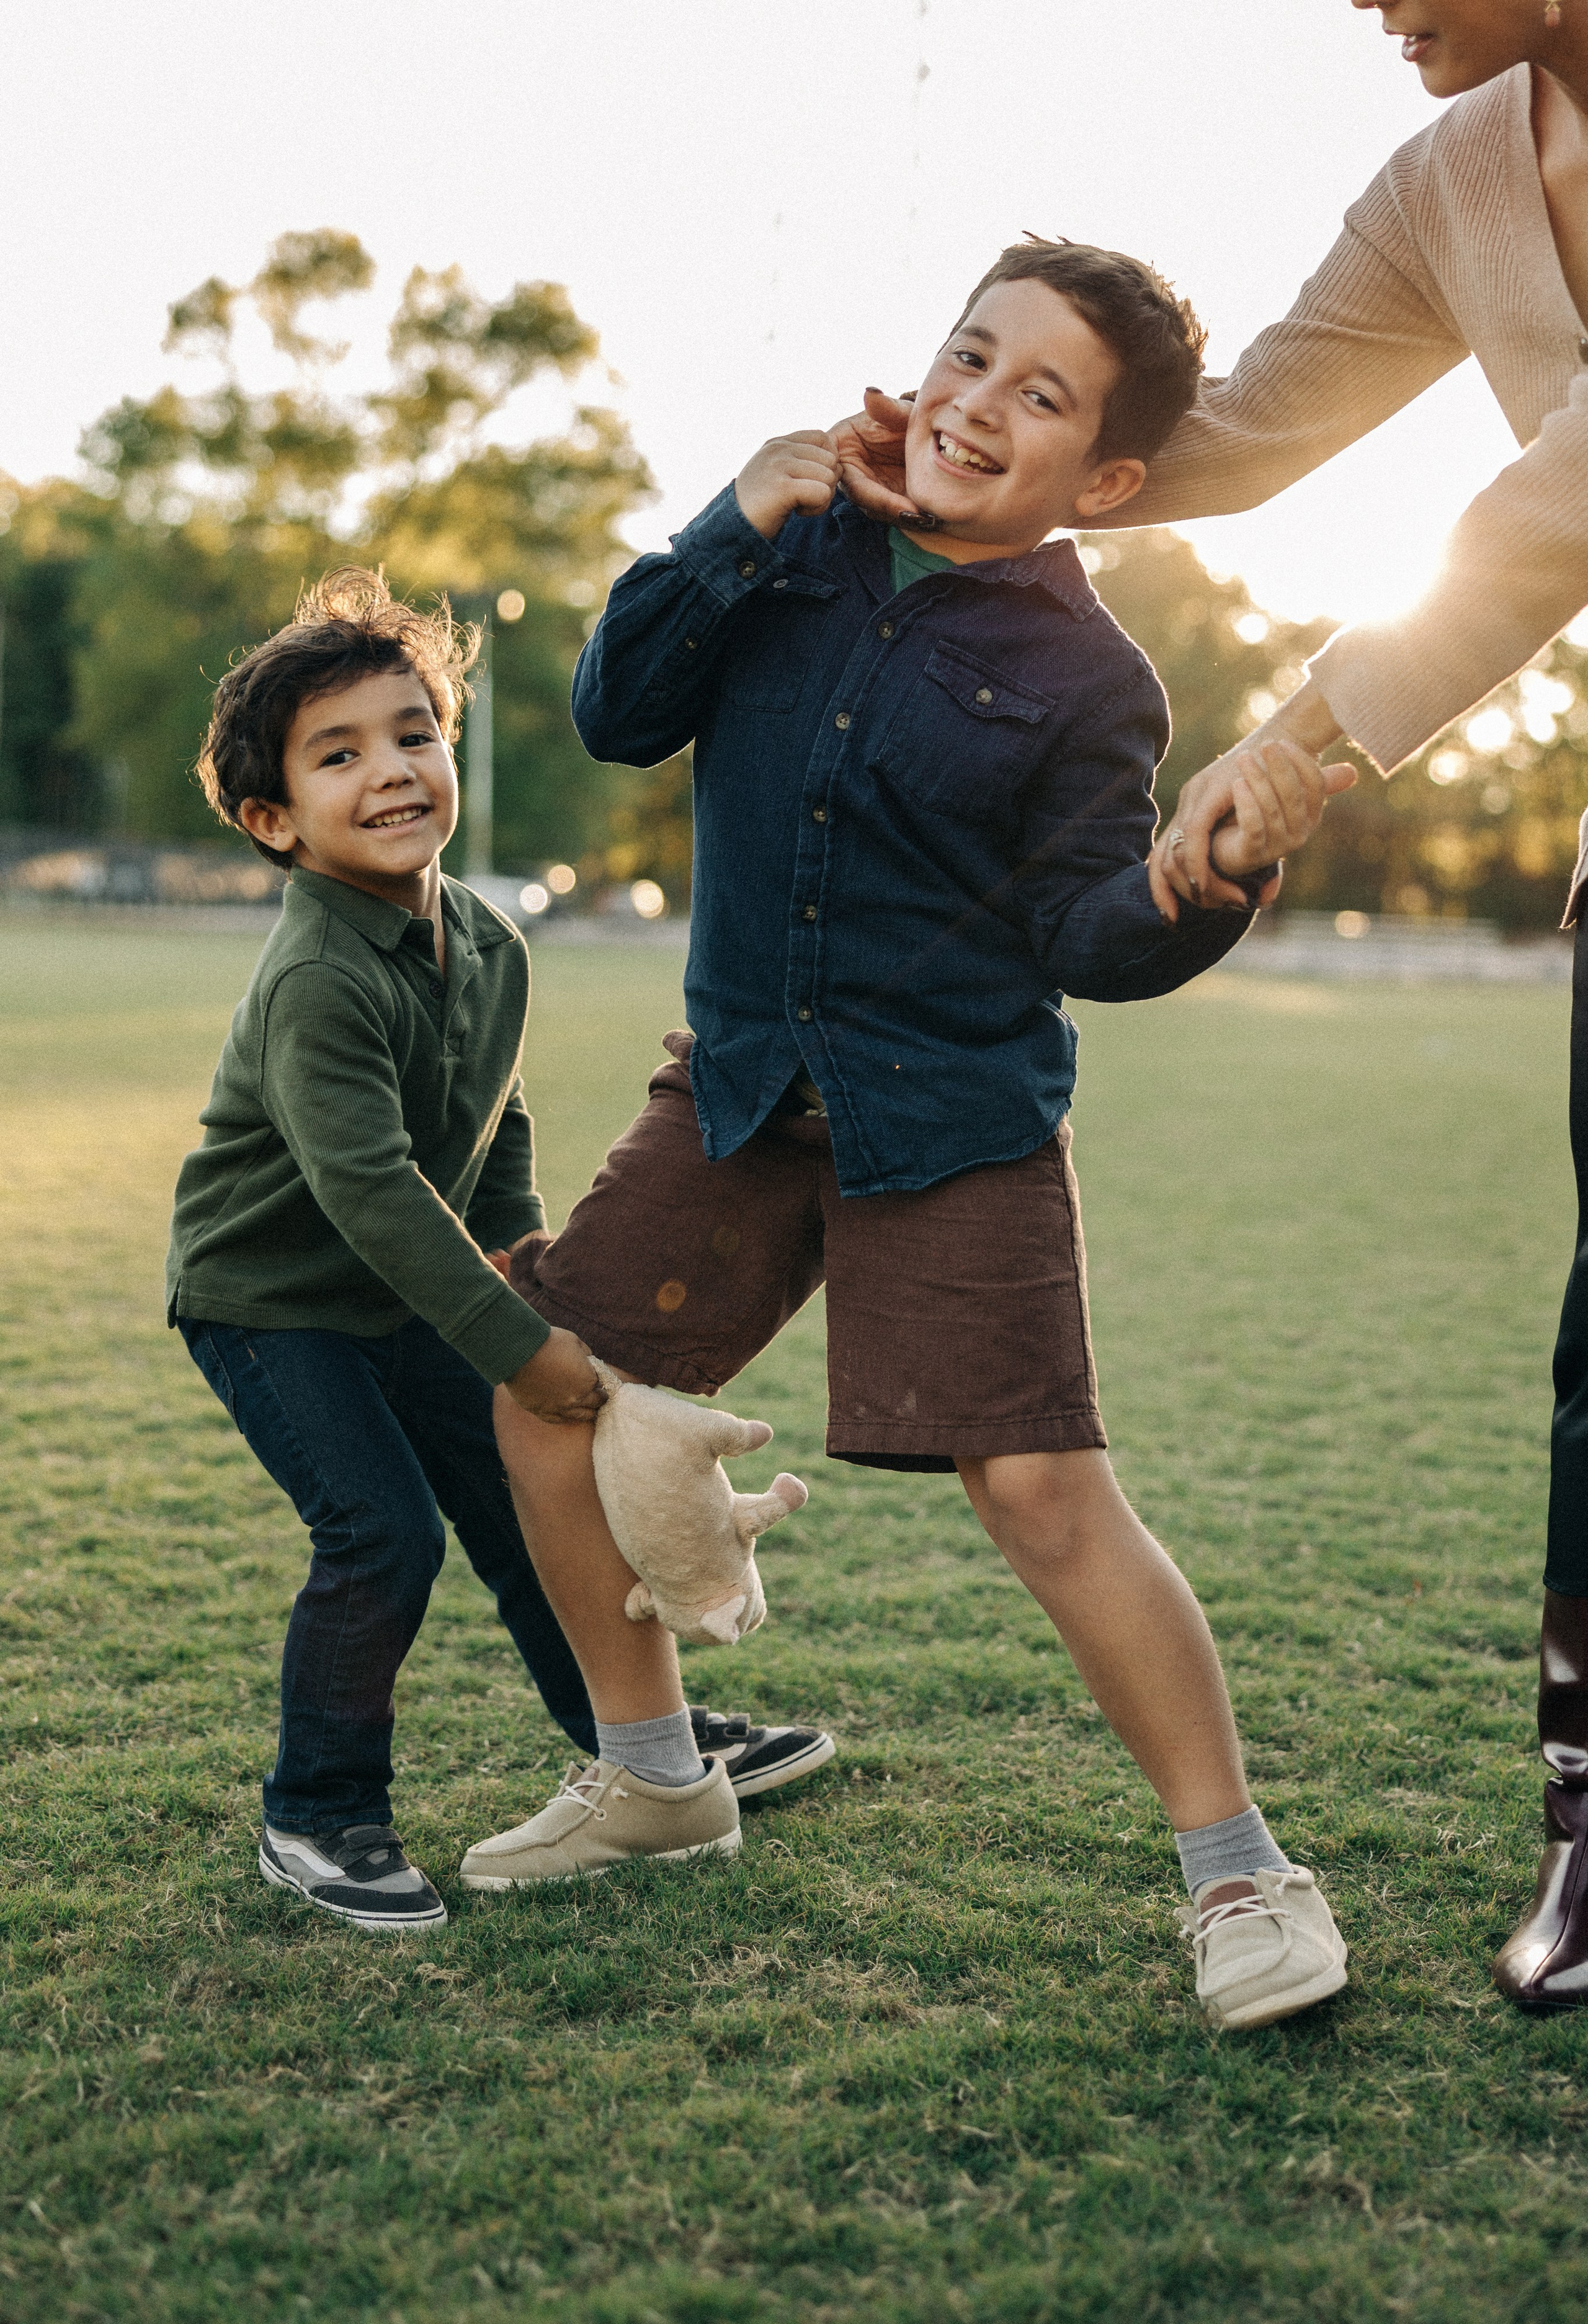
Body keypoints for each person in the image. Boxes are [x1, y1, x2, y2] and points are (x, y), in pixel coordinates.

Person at [462, 239, 1354, 2031]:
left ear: (1104, 479)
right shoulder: (781, 554)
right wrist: (731, 516)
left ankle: (1240, 1869)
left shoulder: (1097, 680)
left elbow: (1087, 937)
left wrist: (1211, 878)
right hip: (735, 1097)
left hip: (951, 1120)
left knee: (1038, 1489)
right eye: (970, 356)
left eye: (1041, 396)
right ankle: (655, 1777)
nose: (976, 405)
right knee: (541, 1379)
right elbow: (616, 709)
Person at [836, 1, 1588, 2011]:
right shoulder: (1452, 175)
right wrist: (963, 461)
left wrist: (1319, 724)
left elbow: (1563, 494)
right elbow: (1232, 436)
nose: (1370, 4)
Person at [166, 570, 831, 1934]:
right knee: (380, 1537)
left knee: (534, 1509)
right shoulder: (316, 978)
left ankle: (641, 1746)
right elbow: (370, 1188)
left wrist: (528, 1259)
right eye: (338, 755)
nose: (392, 770)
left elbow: (493, 1118)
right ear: (272, 820)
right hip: (274, 1303)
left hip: (412, 1295)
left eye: (412, 733)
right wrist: (521, 1345)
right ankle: (318, 1813)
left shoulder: (484, 937)